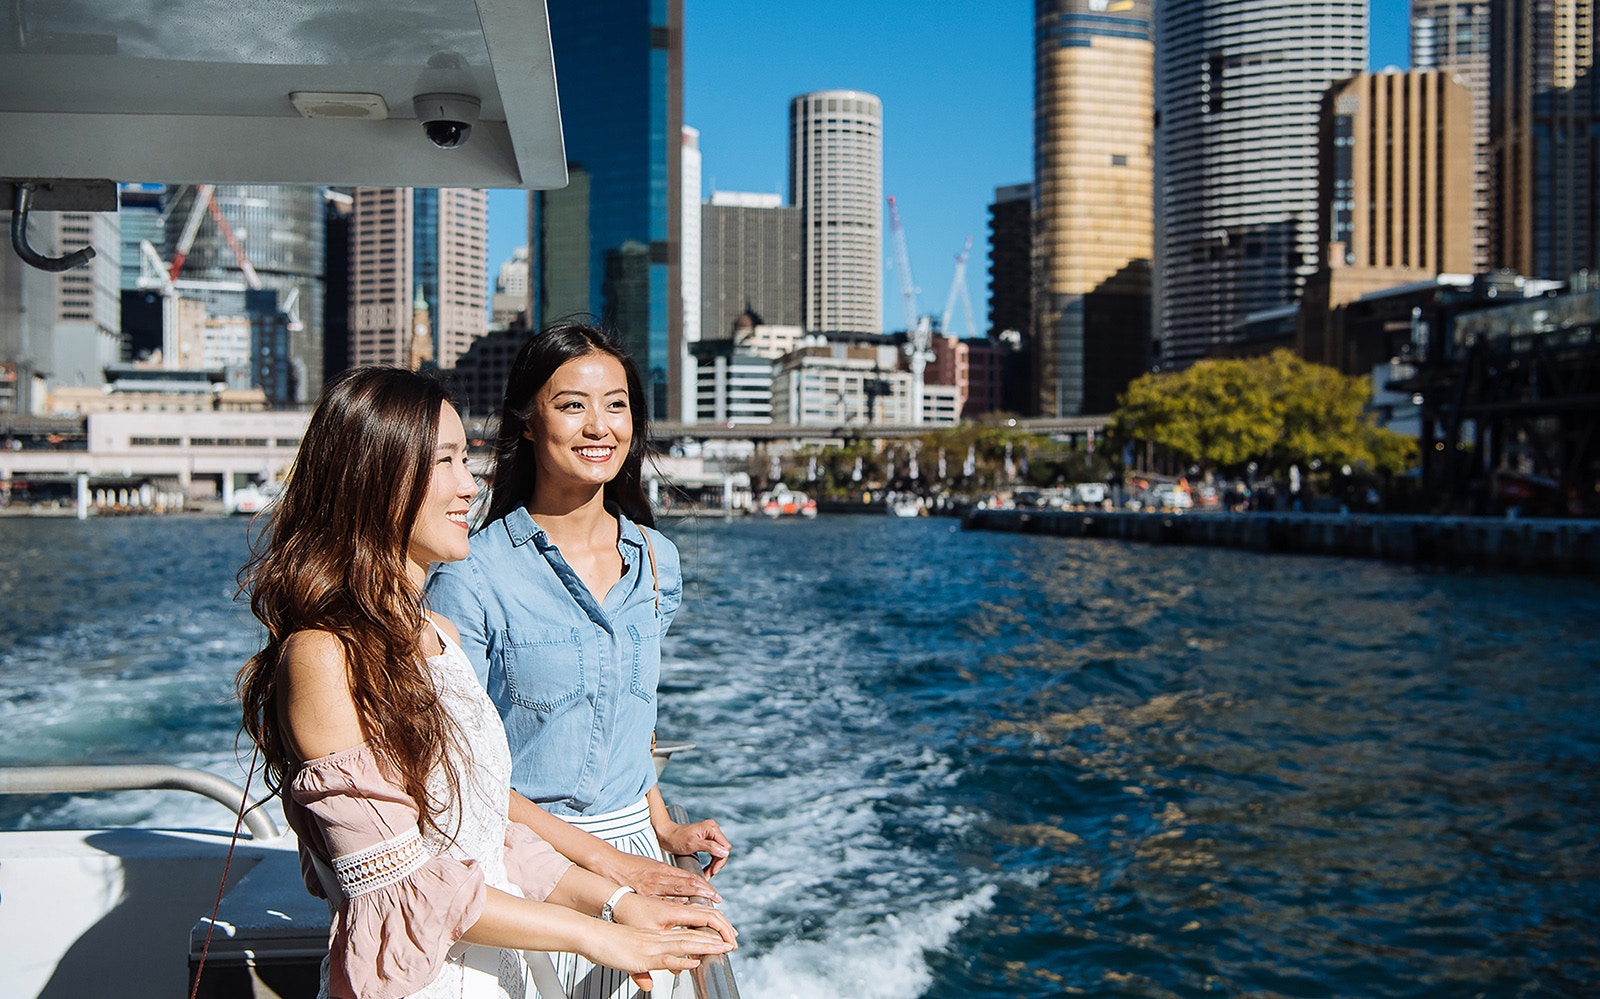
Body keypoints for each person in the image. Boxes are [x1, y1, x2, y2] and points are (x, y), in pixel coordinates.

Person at [236, 366, 734, 999]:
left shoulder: (434, 639)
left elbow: (490, 836)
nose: (468, 486)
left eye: (464, 460)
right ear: (375, 478)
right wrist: (598, 937)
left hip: (501, 976)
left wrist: (619, 906)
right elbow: (404, 889)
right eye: (444, 462)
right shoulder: (323, 656)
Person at [426, 324, 732, 998]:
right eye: (571, 404)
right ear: (528, 423)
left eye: (616, 404)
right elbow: (458, 766)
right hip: (527, 864)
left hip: (640, 855)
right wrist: (610, 865)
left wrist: (662, 825)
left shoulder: (657, 560)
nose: (600, 425)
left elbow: (628, 708)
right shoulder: (472, 575)